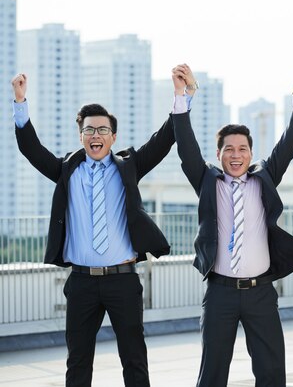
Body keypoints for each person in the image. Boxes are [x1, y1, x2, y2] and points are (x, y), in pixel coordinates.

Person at [10, 67, 183, 387]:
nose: (96, 136)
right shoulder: (66, 170)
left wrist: (180, 97)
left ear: (113, 137)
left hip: (123, 281)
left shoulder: (129, 166)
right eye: (89, 130)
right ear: (80, 136)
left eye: (103, 130)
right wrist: (21, 103)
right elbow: (31, 150)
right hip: (81, 283)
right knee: (77, 362)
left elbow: (163, 141)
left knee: (134, 359)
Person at [171, 65, 293, 387]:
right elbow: (185, 147)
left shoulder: (264, 178)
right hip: (220, 292)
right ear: (219, 154)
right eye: (229, 150)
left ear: (251, 153)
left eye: (243, 149)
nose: (236, 156)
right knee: (212, 374)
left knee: (271, 371)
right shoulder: (208, 181)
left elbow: (289, 142)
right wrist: (182, 97)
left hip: (261, 293)